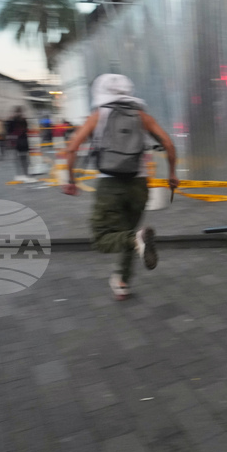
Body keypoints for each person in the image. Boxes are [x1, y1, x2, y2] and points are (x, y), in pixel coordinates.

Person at [63, 75, 178, 300]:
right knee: (132, 231)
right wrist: (172, 174)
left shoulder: (98, 115)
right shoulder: (142, 116)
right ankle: (122, 282)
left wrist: (71, 179)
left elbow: (72, 148)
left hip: (110, 184)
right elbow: (168, 144)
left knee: (102, 238)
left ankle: (134, 244)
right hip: (138, 185)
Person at [5, 107, 31, 182]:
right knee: (23, 159)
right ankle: (25, 174)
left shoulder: (12, 120)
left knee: (18, 159)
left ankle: (20, 174)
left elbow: (9, 130)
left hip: (16, 141)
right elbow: (26, 130)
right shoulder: (23, 120)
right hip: (23, 140)